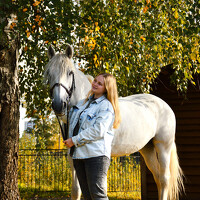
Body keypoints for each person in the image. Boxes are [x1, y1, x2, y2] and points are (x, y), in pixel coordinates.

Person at [63, 73, 121, 200]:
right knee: (88, 196)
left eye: (100, 83)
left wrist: (74, 140)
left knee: (98, 195)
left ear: (107, 88)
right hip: (79, 155)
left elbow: (98, 130)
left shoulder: (106, 106)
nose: (95, 84)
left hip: (96, 156)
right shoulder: (82, 103)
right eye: (95, 81)